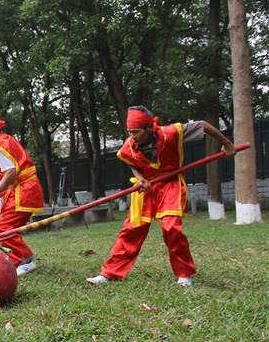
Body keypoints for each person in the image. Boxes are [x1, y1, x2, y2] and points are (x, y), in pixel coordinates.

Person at [86, 106, 236, 286]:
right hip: (146, 189)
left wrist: (227, 143)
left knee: (171, 227)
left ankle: (184, 274)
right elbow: (129, 160)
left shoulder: (171, 133)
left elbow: (203, 125)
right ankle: (109, 274)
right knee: (131, 231)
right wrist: (140, 179)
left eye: (136, 131)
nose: (132, 135)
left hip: (170, 184)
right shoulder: (129, 144)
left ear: (149, 127)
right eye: (130, 132)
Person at [0, 115, 44, 275]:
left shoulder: (0, 145)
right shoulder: (5, 141)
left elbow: (11, 172)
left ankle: (25, 259)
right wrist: (0, 193)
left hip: (24, 189)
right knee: (7, 228)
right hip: (22, 188)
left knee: (3, 228)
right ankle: (17, 259)